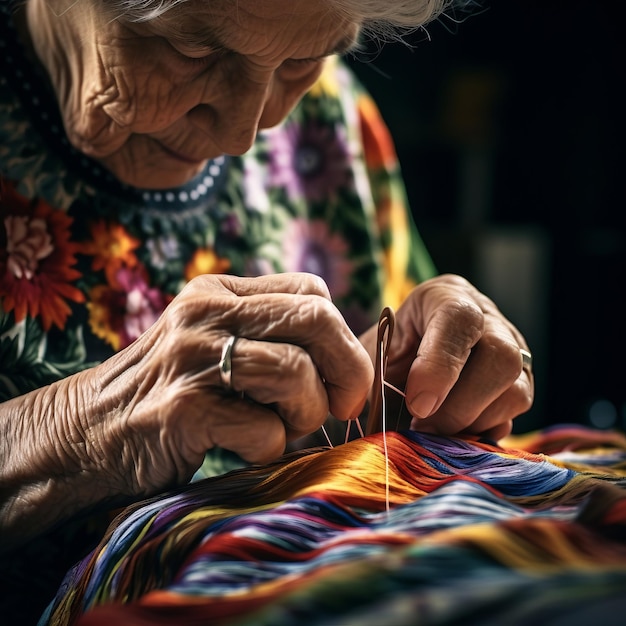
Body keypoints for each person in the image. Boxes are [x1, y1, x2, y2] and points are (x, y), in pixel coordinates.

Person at [0, 0, 533, 616]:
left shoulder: (330, 109)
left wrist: (422, 389)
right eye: (193, 51)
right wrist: (84, 429)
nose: (245, 134)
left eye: (305, 58)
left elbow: (374, 417)